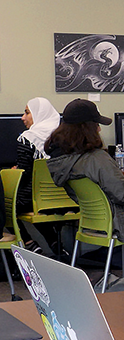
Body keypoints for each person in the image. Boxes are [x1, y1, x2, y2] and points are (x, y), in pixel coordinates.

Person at [46, 99, 124, 243]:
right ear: (86, 128)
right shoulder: (96, 159)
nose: (99, 129)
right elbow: (123, 195)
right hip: (122, 221)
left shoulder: (64, 161)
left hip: (94, 220)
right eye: (96, 125)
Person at [15, 97, 60, 252]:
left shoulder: (28, 138)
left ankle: (28, 243)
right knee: (41, 205)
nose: (23, 117)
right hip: (63, 200)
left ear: (38, 114)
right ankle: (56, 245)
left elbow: (25, 174)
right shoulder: (65, 137)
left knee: (6, 206)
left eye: (27, 112)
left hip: (33, 200)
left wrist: (14, 172)